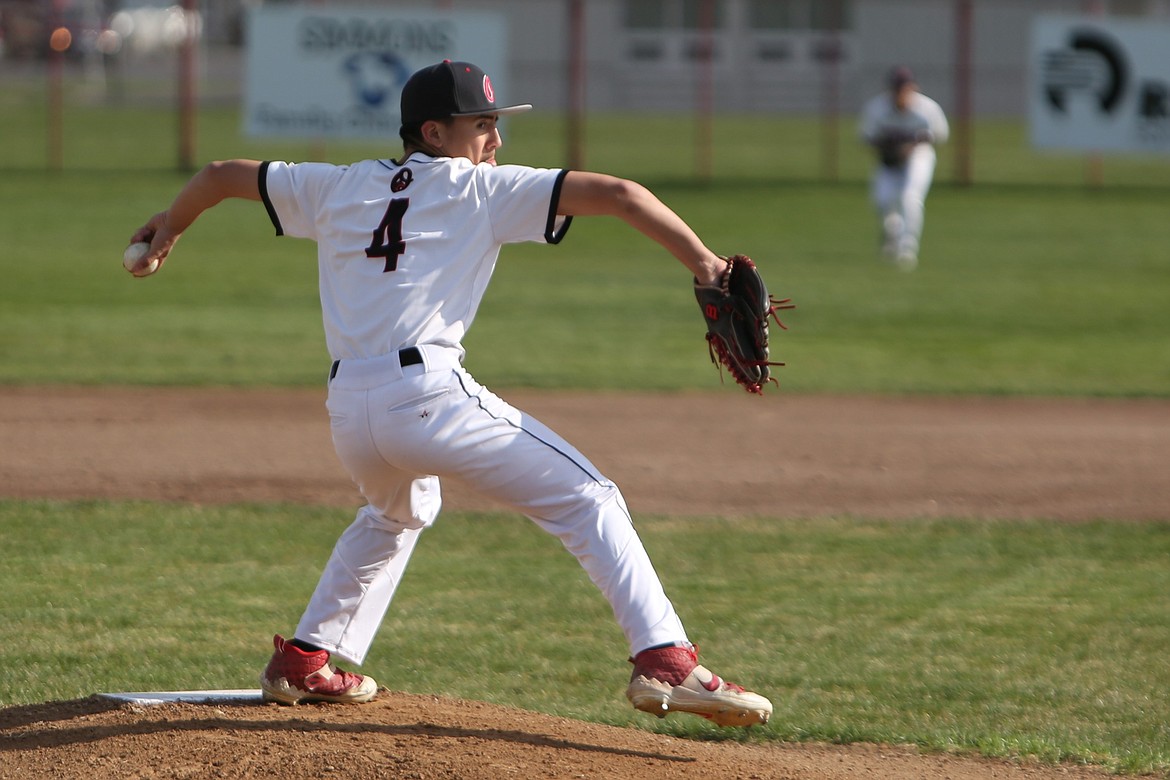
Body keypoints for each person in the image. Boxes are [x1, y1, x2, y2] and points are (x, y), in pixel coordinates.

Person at [126, 60, 772, 728]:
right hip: (427, 397)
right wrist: (709, 265)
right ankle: (666, 659)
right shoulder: (478, 191)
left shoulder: (336, 185)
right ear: (433, 131)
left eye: (496, 124)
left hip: (351, 409)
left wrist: (168, 226)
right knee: (590, 496)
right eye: (481, 125)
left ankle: (306, 660)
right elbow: (620, 193)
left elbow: (221, 175)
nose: (494, 140)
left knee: (396, 512)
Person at [859, 65, 949, 271]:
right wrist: (890, 149)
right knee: (882, 201)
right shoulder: (877, 109)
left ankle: (907, 249)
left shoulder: (927, 109)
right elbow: (865, 137)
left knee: (910, 198)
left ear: (914, 88)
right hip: (888, 161)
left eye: (906, 88)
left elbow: (941, 135)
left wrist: (912, 146)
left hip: (919, 157)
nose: (902, 93)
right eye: (898, 88)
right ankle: (893, 233)